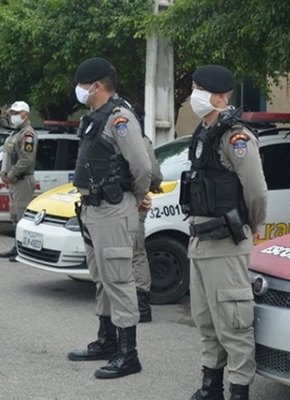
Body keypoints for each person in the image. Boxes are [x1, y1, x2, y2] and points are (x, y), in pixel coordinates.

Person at [183, 65, 267, 400]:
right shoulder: (204, 134)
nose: (194, 95)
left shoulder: (237, 137)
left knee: (233, 324)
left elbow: (257, 190)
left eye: (199, 89)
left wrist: (255, 224)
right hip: (200, 242)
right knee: (206, 321)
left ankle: (239, 390)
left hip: (225, 241)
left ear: (220, 96)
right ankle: (210, 386)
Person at [66, 57, 152, 380]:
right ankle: (106, 340)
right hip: (93, 210)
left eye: (83, 85)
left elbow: (141, 166)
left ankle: (128, 354)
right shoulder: (94, 117)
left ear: (97, 86)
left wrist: (139, 195)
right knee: (101, 278)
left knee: (118, 279)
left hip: (114, 209)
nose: (79, 91)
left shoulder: (120, 118)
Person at [0, 101, 38, 261]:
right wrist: (4, 172)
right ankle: (17, 247)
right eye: (12, 113)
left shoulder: (28, 134)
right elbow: (8, 155)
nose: (13, 116)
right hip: (14, 182)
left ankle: (23, 250)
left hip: (22, 180)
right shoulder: (14, 133)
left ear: (25, 114)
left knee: (23, 216)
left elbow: (26, 159)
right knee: (15, 216)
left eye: (16, 113)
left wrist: (12, 174)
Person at [134, 135, 163, 323]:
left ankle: (139, 307)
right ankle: (141, 307)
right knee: (136, 255)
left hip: (118, 204)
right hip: (135, 201)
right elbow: (155, 175)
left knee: (132, 255)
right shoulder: (141, 138)